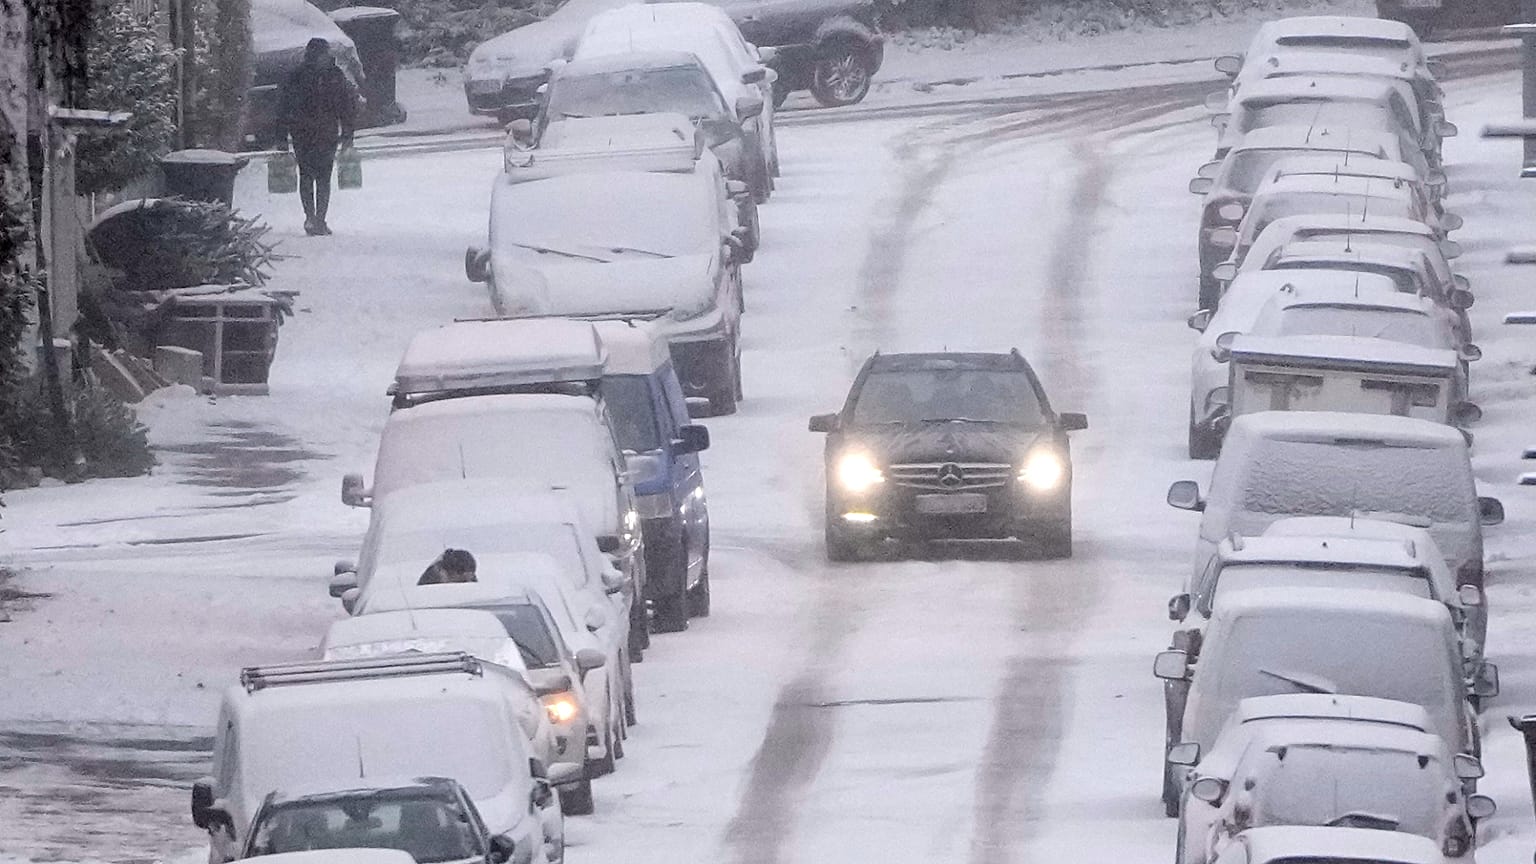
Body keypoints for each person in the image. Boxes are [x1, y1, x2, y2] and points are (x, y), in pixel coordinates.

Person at [277, 38, 357, 236]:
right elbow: (345, 106)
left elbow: (283, 108)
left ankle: (314, 218)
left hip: (308, 132)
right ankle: (315, 218)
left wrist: (282, 136)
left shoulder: (298, 76)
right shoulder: (332, 75)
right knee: (317, 176)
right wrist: (347, 133)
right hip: (319, 132)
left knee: (313, 175)